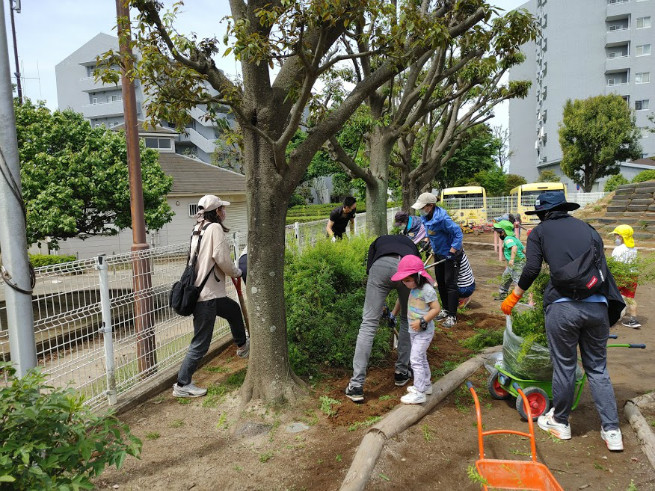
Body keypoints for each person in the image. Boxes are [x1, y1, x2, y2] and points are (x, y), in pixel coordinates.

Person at [501, 191, 626, 452]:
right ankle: (612, 431)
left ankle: (560, 422)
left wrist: (514, 296)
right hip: (598, 307)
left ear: (544, 214)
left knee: (565, 366)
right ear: (564, 208)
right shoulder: (589, 229)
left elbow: (532, 268)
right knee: (598, 369)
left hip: (562, 308)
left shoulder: (539, 232)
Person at [173, 195, 250, 398]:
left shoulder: (198, 228)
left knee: (233, 311)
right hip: (207, 295)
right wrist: (236, 272)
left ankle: (242, 346)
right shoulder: (214, 228)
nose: (225, 212)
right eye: (222, 209)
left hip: (206, 292)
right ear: (216, 212)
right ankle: (183, 383)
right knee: (201, 342)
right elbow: (221, 258)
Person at [345, 234, 420, 402]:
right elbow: (417, 275)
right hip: (407, 268)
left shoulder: (378, 241)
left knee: (369, 324)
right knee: (407, 320)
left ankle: (356, 385)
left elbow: (370, 270)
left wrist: (384, 307)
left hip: (380, 267)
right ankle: (401, 372)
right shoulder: (411, 245)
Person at [390, 255, 440, 405]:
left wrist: (422, 321)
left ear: (418, 276)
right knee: (421, 357)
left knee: (415, 359)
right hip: (414, 331)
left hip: (424, 331)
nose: (405, 283)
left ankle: (419, 392)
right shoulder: (413, 288)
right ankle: (426, 385)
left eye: (407, 280)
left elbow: (436, 309)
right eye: (403, 281)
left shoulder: (426, 290)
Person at [411, 192, 463, 329]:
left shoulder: (443, 219)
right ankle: (445, 309)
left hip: (450, 254)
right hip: (439, 253)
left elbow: (458, 234)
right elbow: (430, 232)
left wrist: (452, 251)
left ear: (430, 205)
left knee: (450, 284)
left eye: (423, 207)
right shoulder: (426, 217)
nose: (421, 209)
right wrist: (427, 241)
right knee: (440, 283)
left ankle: (452, 315)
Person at [610, 225, 640, 328]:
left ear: (621, 236)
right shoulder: (633, 248)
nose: (615, 237)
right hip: (632, 275)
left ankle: (609, 316)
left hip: (620, 275)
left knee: (610, 294)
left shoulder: (618, 249)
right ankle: (633, 320)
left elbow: (616, 265)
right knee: (629, 298)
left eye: (616, 235)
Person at [493, 220, 526, 301]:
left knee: (517, 280)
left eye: (499, 232)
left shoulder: (508, 239)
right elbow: (523, 249)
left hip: (516, 263)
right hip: (518, 262)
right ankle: (503, 295)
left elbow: (514, 247)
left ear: (503, 232)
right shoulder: (514, 238)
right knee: (506, 278)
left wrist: (512, 259)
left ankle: (522, 298)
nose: (498, 234)